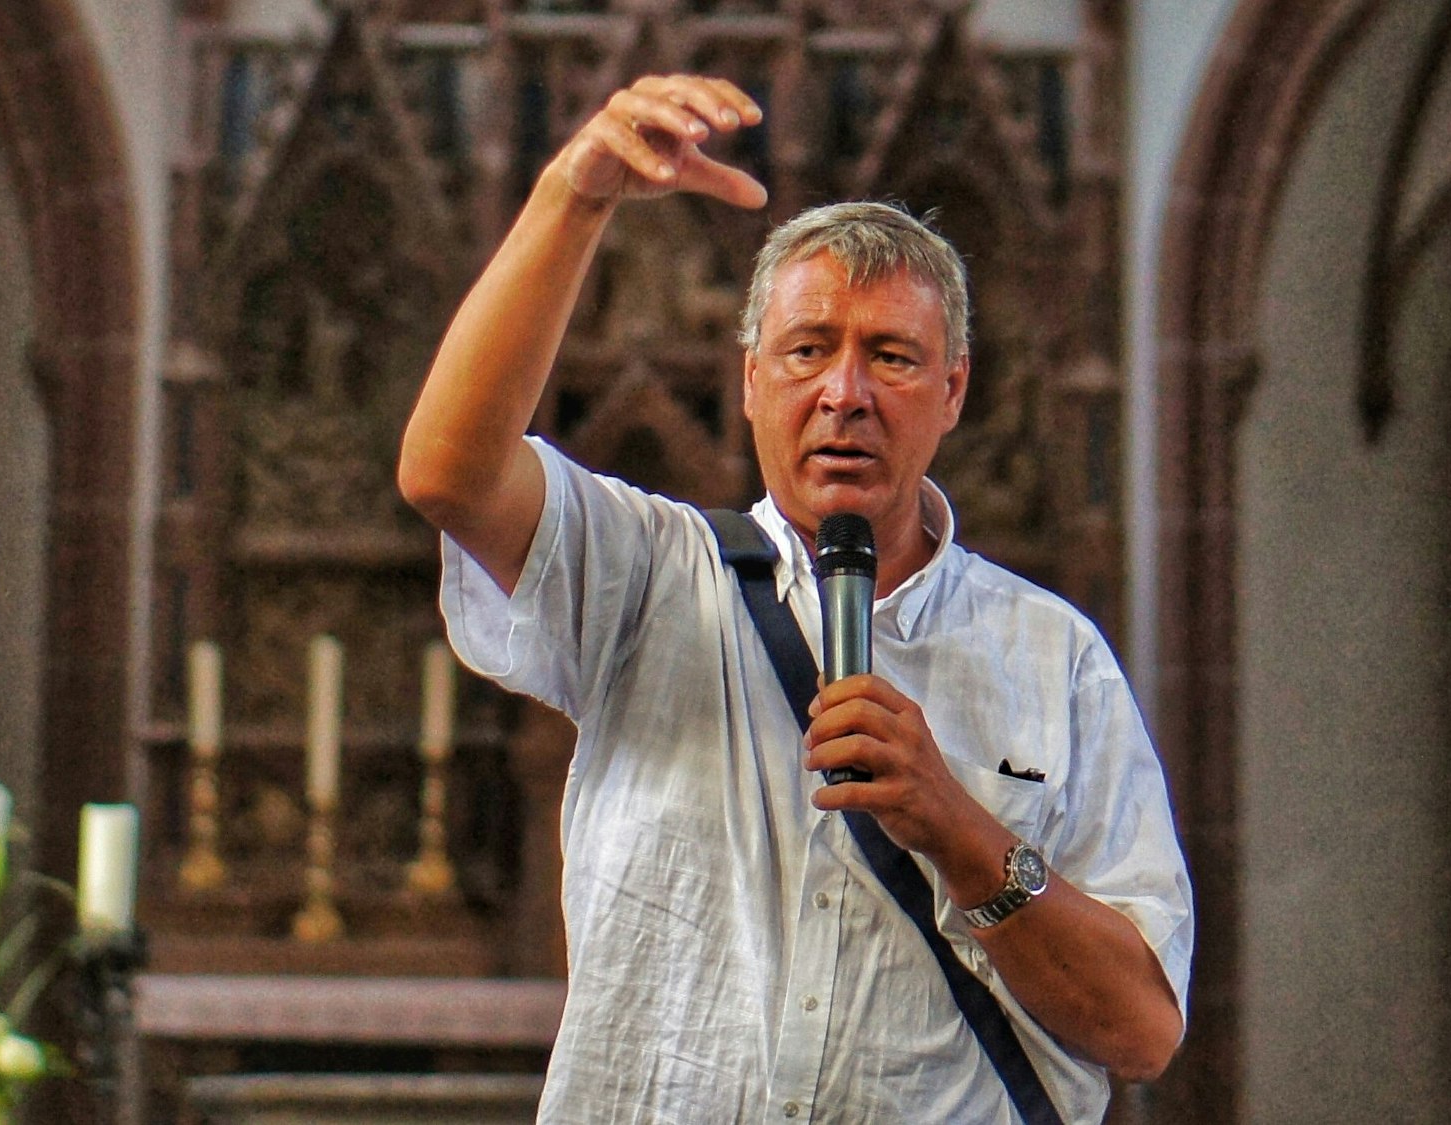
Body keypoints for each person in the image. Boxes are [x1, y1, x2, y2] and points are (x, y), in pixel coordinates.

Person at [397, 74, 1192, 1123]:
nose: (843, 394)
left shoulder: (1053, 656)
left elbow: (1138, 1030)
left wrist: (953, 825)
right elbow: (446, 475)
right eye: (808, 350)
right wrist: (571, 196)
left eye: (891, 357)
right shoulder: (648, 575)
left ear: (952, 390)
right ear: (748, 381)